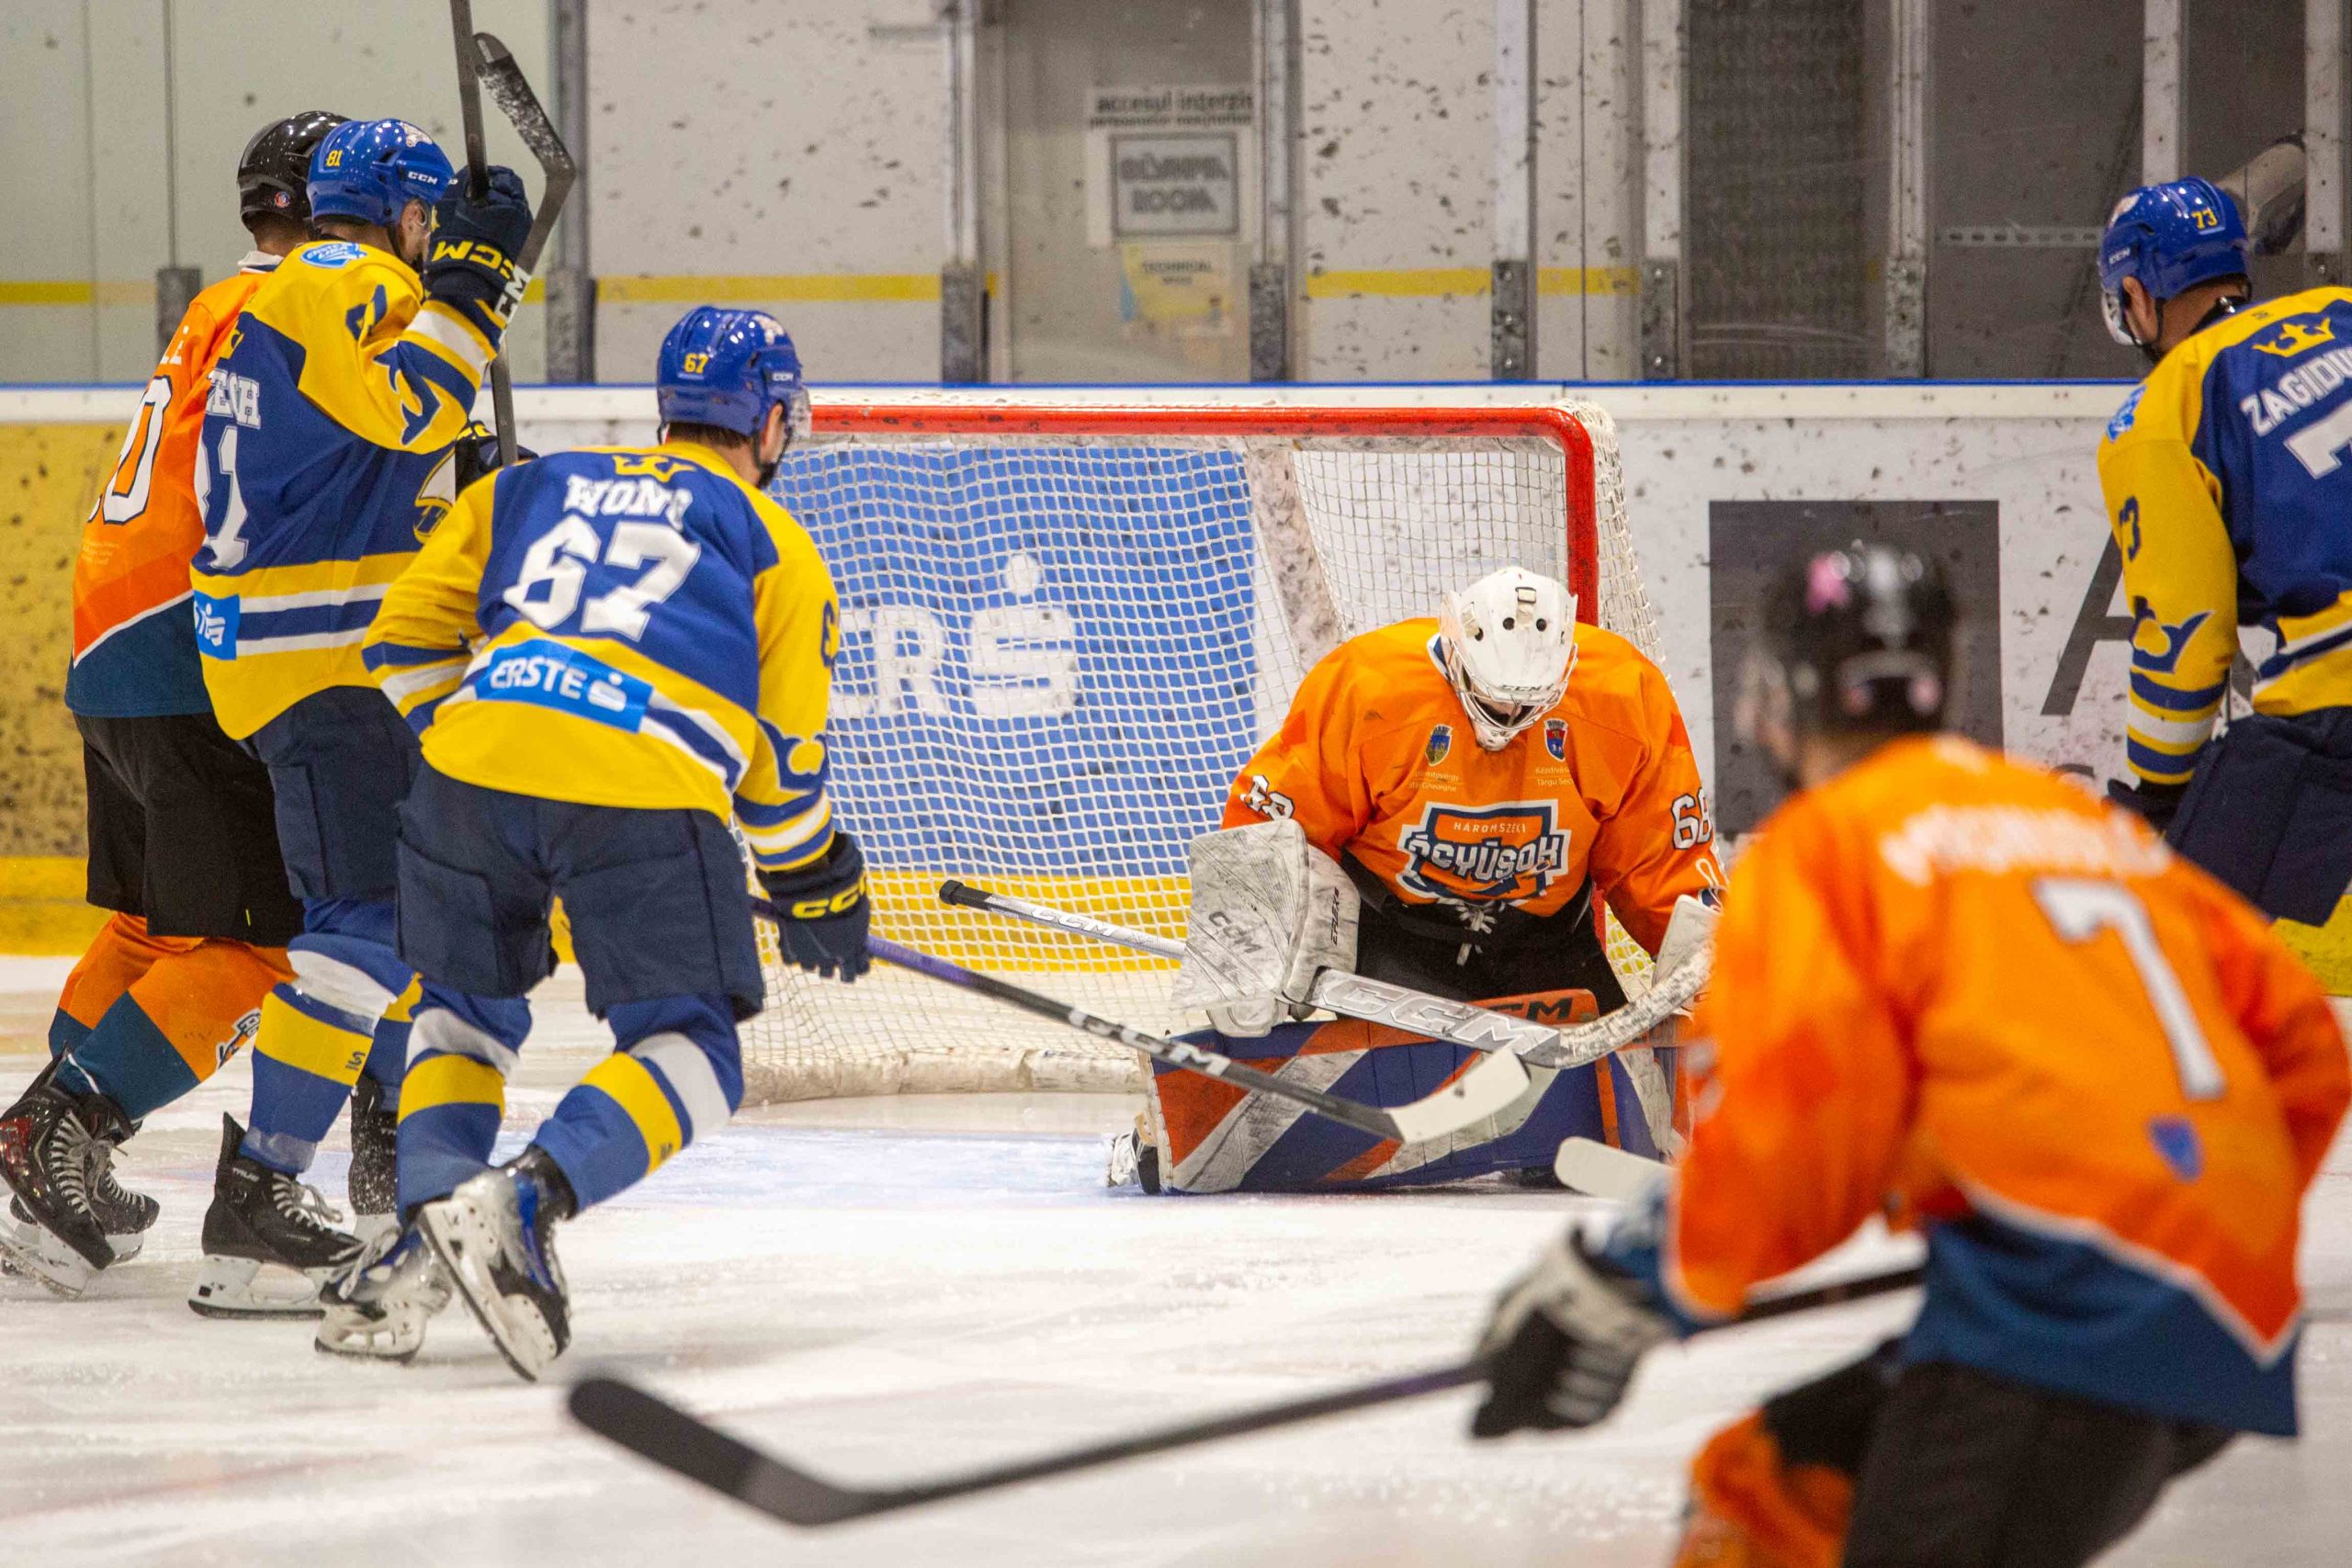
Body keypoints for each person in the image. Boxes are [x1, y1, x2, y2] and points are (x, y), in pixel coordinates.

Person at [1472, 543, 2349, 1568]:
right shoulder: (2072, 821)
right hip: (2189, 1307)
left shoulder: (1825, 849)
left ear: (1776, 696)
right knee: (1766, 1493)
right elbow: (2303, 1046)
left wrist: (1622, 1278)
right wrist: (2194, 1211)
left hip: (2070, 1319)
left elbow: (1792, 1143)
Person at [313, 306, 865, 1379]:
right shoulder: (774, 541)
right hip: (638, 787)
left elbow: (400, 636)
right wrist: (818, 884)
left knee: (458, 1021)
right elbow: (779, 775)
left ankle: (416, 1246)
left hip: (466, 773)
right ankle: (525, 1200)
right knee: (693, 1046)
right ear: (769, 422)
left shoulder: (527, 487)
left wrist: (488, 736)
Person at [180, 116, 534, 1317]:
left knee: (396, 916)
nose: (438, 239)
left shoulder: (323, 287)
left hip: (312, 647)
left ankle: (367, 1171)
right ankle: (259, 1188)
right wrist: (474, 291)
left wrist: (471, 474)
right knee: (368, 920)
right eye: (434, 221)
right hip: (319, 653)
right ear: (404, 213)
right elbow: (408, 404)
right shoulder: (339, 274)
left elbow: (379, 450)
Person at [0, 111, 345, 1297]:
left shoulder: (218, 306)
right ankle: (63, 1131)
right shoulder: (300, 307)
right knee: (259, 945)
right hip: (191, 653)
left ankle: (40, 1151)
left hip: (110, 648)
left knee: (158, 929)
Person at [1114, 566, 1723, 1193]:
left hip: (1542, 946)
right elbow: (1271, 822)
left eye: (1530, 704)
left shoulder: (1625, 697)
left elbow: (1664, 860)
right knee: (1333, 1122)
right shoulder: (1368, 687)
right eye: (1494, 698)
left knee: (1638, 1134)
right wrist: (1253, 947)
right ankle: (1156, 1138)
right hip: (1399, 941)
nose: (1509, 717)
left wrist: (1708, 966)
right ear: (1455, 651)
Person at [2095, 177, 2352, 952]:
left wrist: (2160, 792)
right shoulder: (2342, 309)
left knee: (2168, 952)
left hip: (2338, 696)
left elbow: (2187, 632)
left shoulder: (2161, 411)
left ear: (2136, 298)